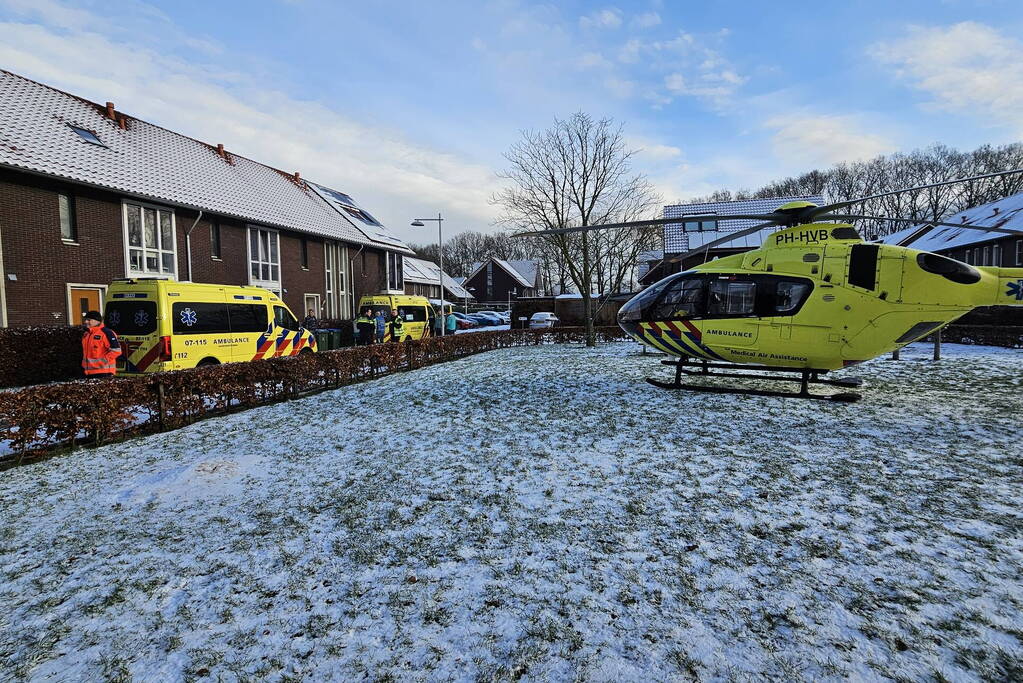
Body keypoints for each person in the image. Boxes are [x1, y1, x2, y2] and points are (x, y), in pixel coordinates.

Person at [81, 310, 121, 378]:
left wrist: (101, 362)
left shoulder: (107, 333)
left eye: (89, 320)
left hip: (104, 372)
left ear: (97, 321)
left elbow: (116, 351)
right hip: (88, 372)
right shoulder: (86, 334)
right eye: (86, 320)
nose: (86, 322)